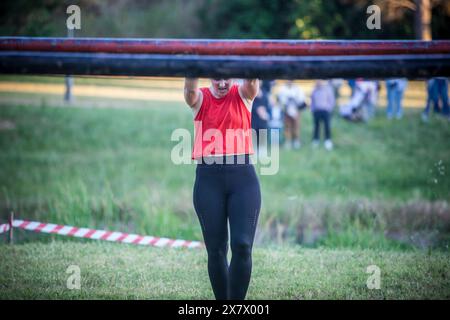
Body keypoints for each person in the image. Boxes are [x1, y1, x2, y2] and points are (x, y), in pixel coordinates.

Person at [184, 77, 261, 300]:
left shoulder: (244, 94)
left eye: (227, 78)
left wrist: (247, 57)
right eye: (217, 78)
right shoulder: (200, 99)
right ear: (209, 77)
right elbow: (189, 89)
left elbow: (252, 81)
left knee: (242, 245)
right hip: (209, 181)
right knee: (216, 249)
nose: (222, 84)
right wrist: (193, 62)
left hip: (243, 180)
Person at [276, 80, 306, 149]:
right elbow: (280, 99)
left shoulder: (297, 89)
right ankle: (288, 141)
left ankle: (296, 141)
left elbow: (301, 100)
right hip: (287, 110)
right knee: (287, 126)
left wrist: (296, 106)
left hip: (296, 110)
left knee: (296, 126)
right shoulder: (283, 88)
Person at [311, 80, 335, 150]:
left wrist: (329, 109)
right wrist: (313, 110)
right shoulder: (314, 90)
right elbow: (312, 101)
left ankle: (328, 141)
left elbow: (331, 100)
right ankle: (316, 140)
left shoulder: (328, 89)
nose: (318, 82)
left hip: (325, 111)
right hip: (317, 111)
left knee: (327, 126)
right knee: (316, 126)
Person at [251, 81, 271, 155]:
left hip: (262, 118)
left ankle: (262, 149)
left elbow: (267, 104)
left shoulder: (265, 93)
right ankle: (254, 149)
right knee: (253, 132)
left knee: (262, 131)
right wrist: (257, 109)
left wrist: (266, 113)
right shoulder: (251, 92)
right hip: (253, 117)